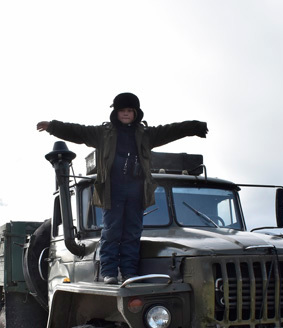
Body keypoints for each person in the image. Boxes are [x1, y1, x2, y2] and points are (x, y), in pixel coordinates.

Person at [37, 92, 207, 284]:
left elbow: (171, 130)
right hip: (113, 190)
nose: (126, 114)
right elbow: (78, 131)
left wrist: (195, 127)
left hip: (136, 191)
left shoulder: (146, 135)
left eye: (129, 111)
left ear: (136, 113)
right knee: (111, 231)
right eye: (122, 111)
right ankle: (108, 272)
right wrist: (52, 126)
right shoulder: (103, 134)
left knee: (132, 233)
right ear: (115, 112)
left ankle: (129, 273)